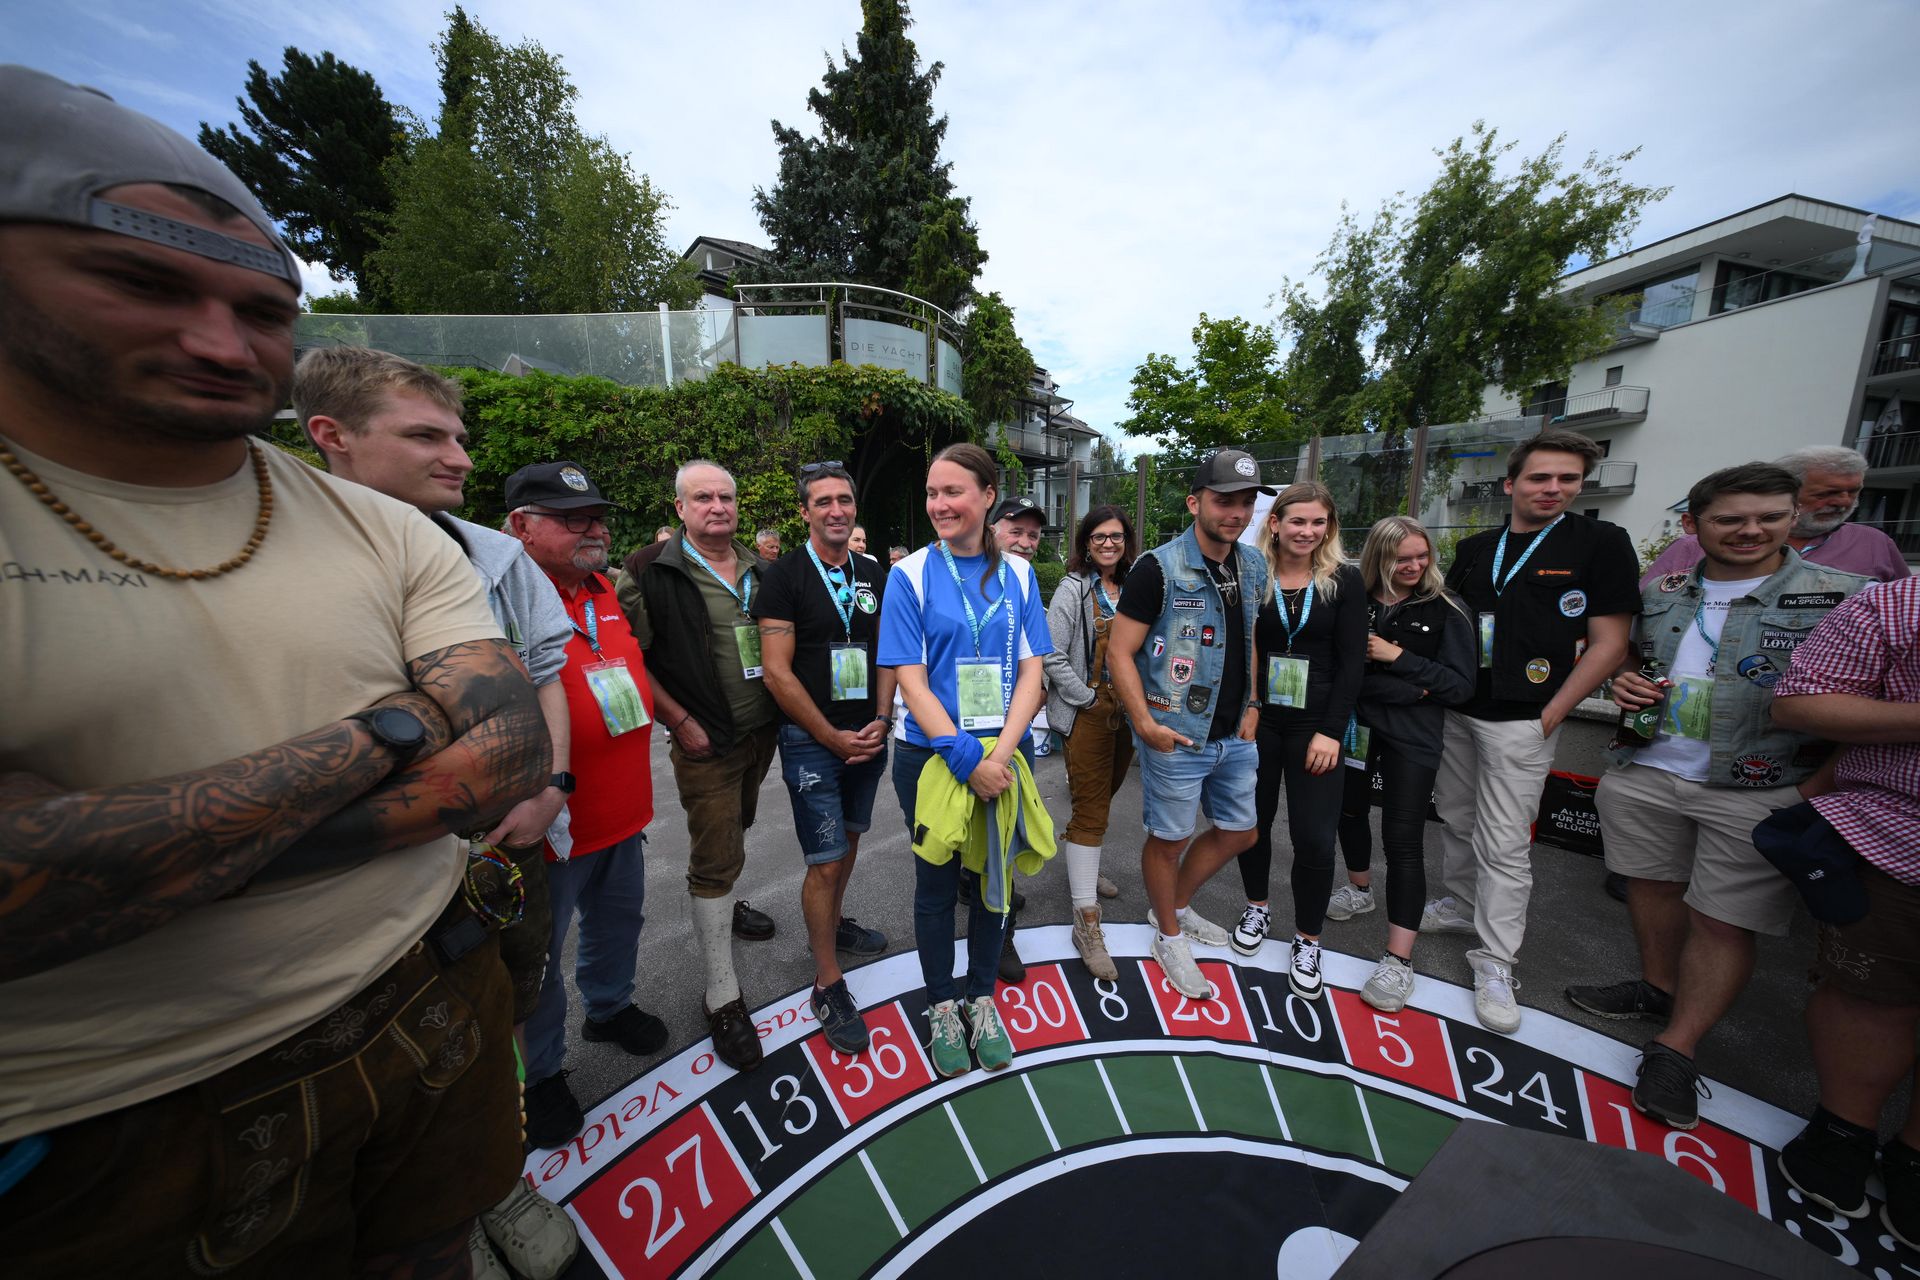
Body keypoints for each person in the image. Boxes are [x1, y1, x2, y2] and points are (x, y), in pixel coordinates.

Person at [0, 67, 548, 1274]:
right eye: (141, 282)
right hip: (116, 1119)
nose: (219, 338)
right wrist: (399, 726)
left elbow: (510, 752)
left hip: (431, 993)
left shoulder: (389, 529)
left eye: (261, 308)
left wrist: (168, 849)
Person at [296, 348, 580, 1277]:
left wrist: (548, 788)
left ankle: (498, 1177)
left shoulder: (496, 555)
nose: (459, 457)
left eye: (458, 436)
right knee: (375, 1048)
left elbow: (546, 679)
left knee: (505, 999)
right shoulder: (283, 555)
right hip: (355, 882)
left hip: (504, 840)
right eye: (426, 436)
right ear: (332, 436)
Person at [1562, 464, 1866, 1128]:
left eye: (1769, 516)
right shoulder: (1664, 590)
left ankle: (1677, 1047)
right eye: (1730, 518)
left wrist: (1812, 790)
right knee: (1651, 887)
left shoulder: (1845, 597)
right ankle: (1658, 988)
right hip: (1649, 767)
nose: (1751, 530)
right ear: (1693, 524)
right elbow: (1632, 656)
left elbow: (1872, 703)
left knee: (1724, 921)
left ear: (1793, 518)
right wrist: (1625, 684)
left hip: (1759, 785)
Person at [1428, 429, 1640, 1033]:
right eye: (1540, 477)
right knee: (1457, 817)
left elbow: (1610, 643)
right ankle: (1461, 904)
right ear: (1511, 484)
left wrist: (1555, 712)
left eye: (1568, 479)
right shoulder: (1477, 547)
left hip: (1526, 718)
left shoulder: (1600, 542)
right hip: (1461, 710)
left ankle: (1496, 960)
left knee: (1504, 842)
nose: (1553, 489)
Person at [503, 462, 669, 1150]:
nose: (595, 529)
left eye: (598, 517)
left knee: (618, 922)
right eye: (575, 519)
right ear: (521, 526)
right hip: (551, 825)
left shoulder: (604, 588)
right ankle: (539, 1075)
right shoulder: (501, 598)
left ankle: (609, 1007)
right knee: (538, 960)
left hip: (623, 813)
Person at [877, 443, 1051, 1076]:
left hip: (1003, 757)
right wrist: (964, 757)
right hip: (931, 757)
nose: (939, 504)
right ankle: (941, 1004)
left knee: (993, 884)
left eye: (953, 491)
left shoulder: (1021, 575)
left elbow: (1032, 672)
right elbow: (911, 677)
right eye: (932, 493)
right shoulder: (911, 574)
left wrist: (998, 755)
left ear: (987, 496)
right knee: (935, 887)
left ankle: (981, 997)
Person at [1770, 576, 1920, 1245]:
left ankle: (1915, 1158)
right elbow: (1800, 700)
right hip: (1900, 838)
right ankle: (1843, 1130)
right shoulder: (1896, 603)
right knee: (1870, 995)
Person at [619, 462, 779, 1071]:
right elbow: (632, 657)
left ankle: (725, 905)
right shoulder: (649, 569)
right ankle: (722, 996)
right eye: (703, 497)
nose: (717, 506)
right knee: (714, 854)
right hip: (703, 739)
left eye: (726, 497)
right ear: (680, 509)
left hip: (759, 733)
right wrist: (679, 720)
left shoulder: (761, 569)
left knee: (737, 827)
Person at [1108, 448, 1274, 1000]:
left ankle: (1172, 908)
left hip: (1235, 733)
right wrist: (1145, 724)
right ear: (1194, 502)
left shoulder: (1253, 565)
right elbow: (1119, 652)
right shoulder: (1156, 568)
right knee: (1169, 839)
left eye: (1246, 502)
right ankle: (1170, 937)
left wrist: (1254, 704)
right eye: (1224, 500)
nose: (1236, 512)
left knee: (1241, 831)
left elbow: (1250, 638)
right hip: (1176, 732)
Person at [754, 462, 892, 1055]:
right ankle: (828, 982)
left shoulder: (873, 572)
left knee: (850, 842)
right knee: (826, 861)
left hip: (869, 735)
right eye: (823, 502)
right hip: (813, 741)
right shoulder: (783, 576)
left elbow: (888, 652)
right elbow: (777, 673)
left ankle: (833, 927)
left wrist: (883, 717)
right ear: (805, 512)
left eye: (844, 499)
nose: (836, 510)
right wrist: (831, 736)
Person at [1333, 517, 1476, 1012]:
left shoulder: (1446, 607)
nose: (1414, 565)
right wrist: (1413, 689)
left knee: (1403, 841)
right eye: (1402, 558)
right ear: (1379, 557)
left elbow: (1460, 687)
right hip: (1357, 730)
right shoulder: (1354, 600)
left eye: (1421, 555)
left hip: (1413, 738)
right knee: (1348, 812)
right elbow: (1343, 672)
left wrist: (1397, 657)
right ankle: (1359, 890)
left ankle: (1398, 960)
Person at [1239, 483, 1367, 996]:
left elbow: (1353, 663)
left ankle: (1308, 939)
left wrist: (1331, 731)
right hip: (1261, 721)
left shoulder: (1344, 580)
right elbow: (1244, 646)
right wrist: (1249, 707)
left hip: (1317, 727)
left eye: (1318, 522)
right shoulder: (1253, 572)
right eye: (1297, 521)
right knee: (1251, 824)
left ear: (1329, 527)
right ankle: (1257, 908)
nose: (1307, 532)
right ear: (1275, 523)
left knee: (1314, 837)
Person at [1045, 505, 1137, 980]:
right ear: (1086, 542)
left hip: (1130, 712)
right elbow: (1051, 654)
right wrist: (1085, 699)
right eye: (1099, 537)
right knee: (1090, 807)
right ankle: (1086, 923)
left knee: (1103, 797)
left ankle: (1086, 859)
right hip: (1090, 710)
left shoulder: (1137, 585)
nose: (1108, 544)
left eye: (1116, 536)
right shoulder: (1073, 588)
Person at [1643, 446, 1908, 586]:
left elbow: (1905, 615)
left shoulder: (1874, 543)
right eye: (1827, 493)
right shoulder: (1692, 547)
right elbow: (1643, 620)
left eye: (1854, 492)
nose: (1844, 502)